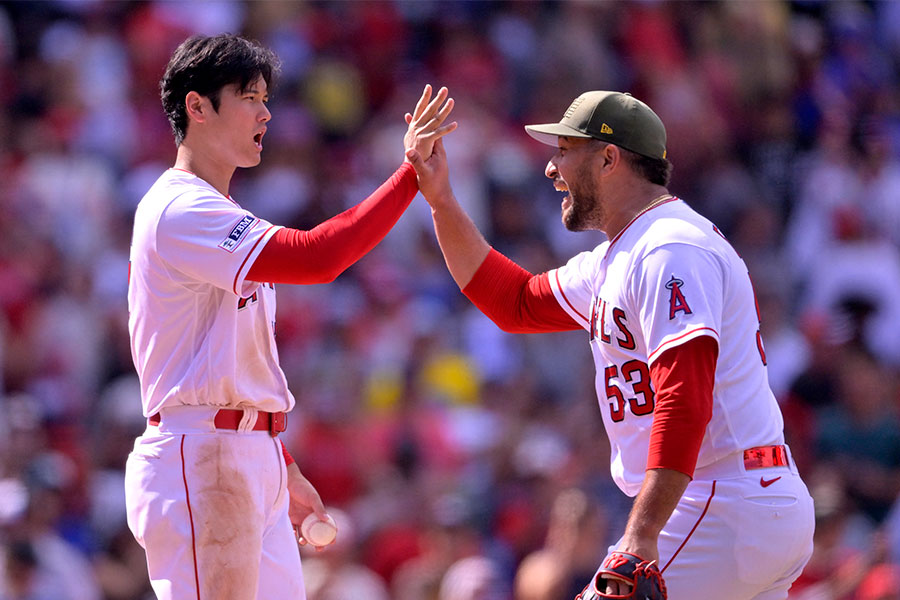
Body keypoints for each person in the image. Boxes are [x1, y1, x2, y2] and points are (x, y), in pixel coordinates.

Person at [405, 91, 815, 599]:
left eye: (564, 150)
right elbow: (512, 302)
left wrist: (640, 536)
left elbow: (683, 397)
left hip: (721, 496)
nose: (552, 169)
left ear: (607, 156)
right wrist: (441, 201)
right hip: (739, 497)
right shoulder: (618, 255)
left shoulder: (669, 247)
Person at [124, 34, 455, 600]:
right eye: (248, 96)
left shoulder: (221, 213)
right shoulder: (180, 206)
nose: (265, 111)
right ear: (197, 106)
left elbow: (237, 364)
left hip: (243, 453)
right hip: (200, 456)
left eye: (266, 97)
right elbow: (318, 256)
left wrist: (278, 460)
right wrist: (409, 176)